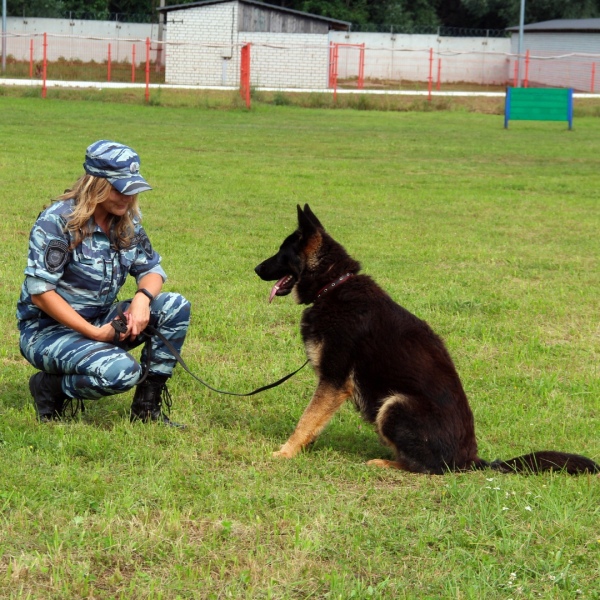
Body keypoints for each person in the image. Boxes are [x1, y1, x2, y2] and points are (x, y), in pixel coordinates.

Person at [16, 140, 191, 427]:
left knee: (174, 306)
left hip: (99, 319)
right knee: (121, 372)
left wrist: (142, 298)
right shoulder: (58, 222)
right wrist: (95, 334)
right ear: (94, 184)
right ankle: (49, 388)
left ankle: (147, 409)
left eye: (132, 188)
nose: (127, 196)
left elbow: (152, 269)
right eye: (118, 187)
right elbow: (41, 293)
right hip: (47, 332)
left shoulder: (127, 221)